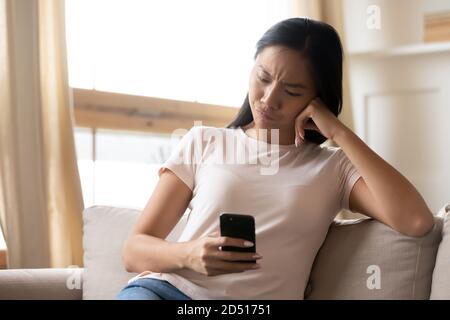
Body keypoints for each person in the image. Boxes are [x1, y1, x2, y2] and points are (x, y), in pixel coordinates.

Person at [117, 17, 434, 300]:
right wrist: (188, 254)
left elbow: (416, 221)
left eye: (292, 91)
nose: (269, 100)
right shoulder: (204, 141)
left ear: (317, 99)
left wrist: (339, 133)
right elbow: (134, 249)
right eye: (263, 77)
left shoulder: (333, 167)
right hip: (165, 292)